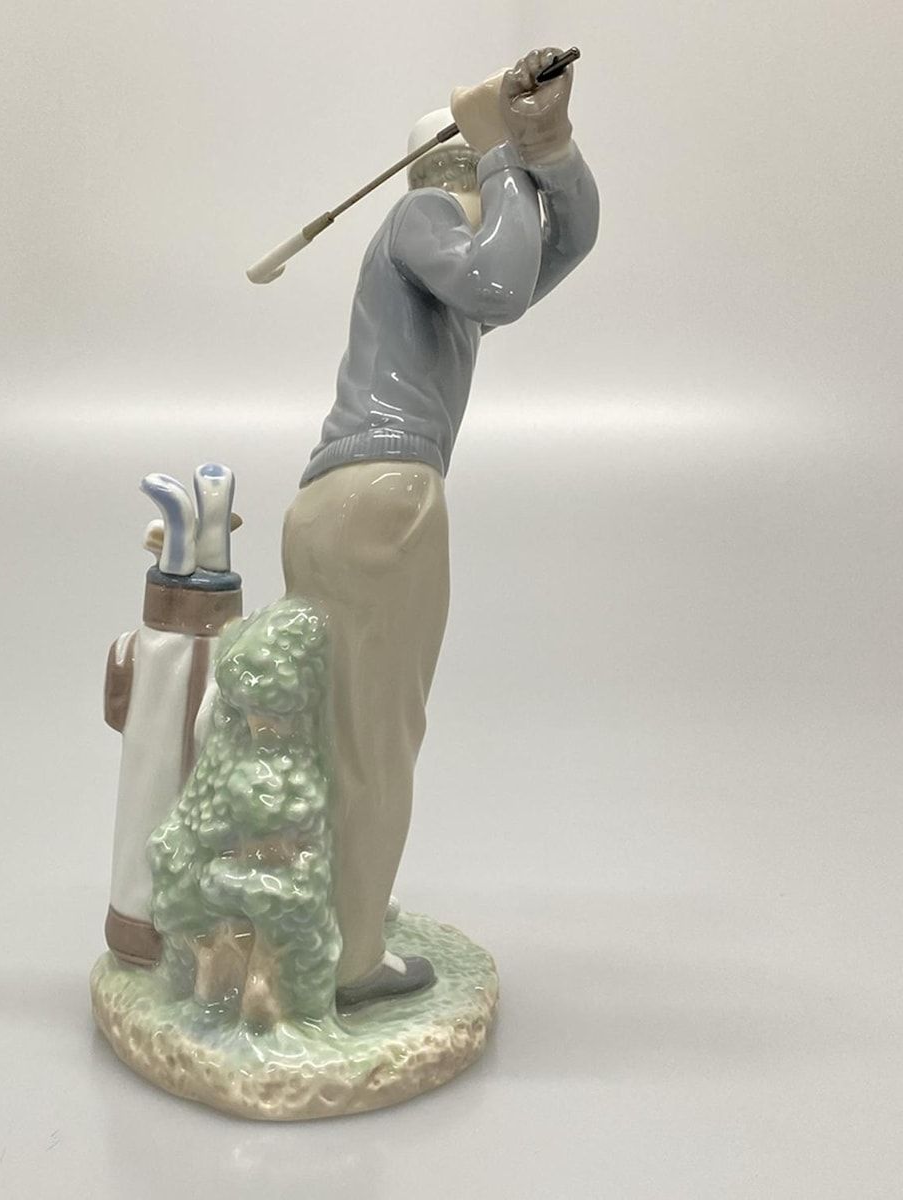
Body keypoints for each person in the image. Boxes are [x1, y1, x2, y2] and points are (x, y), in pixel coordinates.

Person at [281, 48, 600, 1009]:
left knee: (344, 732)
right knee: (379, 741)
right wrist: (505, 155)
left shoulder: (446, 270)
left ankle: (329, 915)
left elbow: (561, 246)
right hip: (386, 499)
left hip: (343, 502)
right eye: (482, 169)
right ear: (454, 169)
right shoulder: (424, 218)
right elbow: (505, 280)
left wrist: (548, 146)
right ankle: (351, 959)